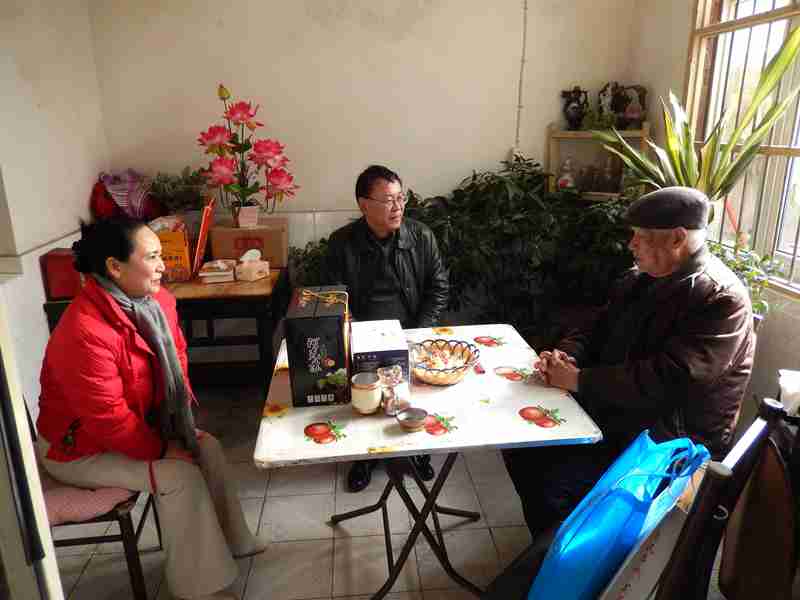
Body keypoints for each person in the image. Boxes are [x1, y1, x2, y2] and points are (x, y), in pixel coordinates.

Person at [503, 186, 755, 537]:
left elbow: (671, 377)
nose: (631, 244)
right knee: (522, 446)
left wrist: (578, 380)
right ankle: (560, 547)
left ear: (677, 238)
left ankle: (579, 556)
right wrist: (568, 355)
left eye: (641, 236)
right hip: (620, 414)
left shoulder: (721, 298)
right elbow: (593, 328)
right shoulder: (640, 279)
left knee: (553, 480)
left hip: (667, 441)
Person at [36, 219, 265, 600]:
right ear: (114, 267)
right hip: (77, 450)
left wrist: (178, 429)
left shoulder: (157, 303)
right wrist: (161, 449)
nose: (164, 266)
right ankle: (200, 588)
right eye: (153, 257)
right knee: (179, 475)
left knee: (207, 447)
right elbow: (108, 419)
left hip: (136, 429)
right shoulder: (83, 331)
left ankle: (234, 541)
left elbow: (178, 362)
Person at [325, 165, 449, 492]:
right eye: (388, 200)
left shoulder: (420, 236)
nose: (397, 207)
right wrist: (355, 336)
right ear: (364, 205)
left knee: (413, 393)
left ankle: (416, 451)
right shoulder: (341, 243)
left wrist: (417, 333)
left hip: (410, 329)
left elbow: (438, 288)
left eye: (400, 198)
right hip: (363, 335)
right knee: (365, 399)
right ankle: (364, 457)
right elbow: (335, 299)